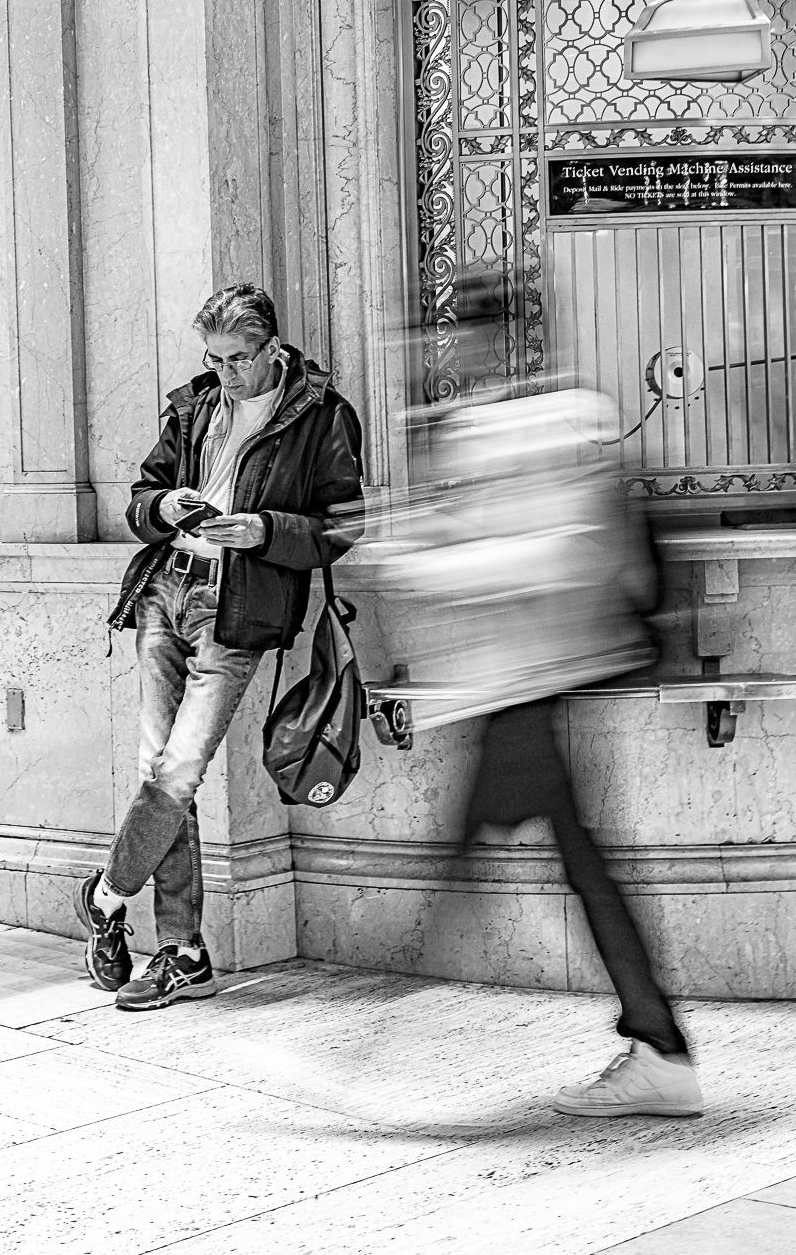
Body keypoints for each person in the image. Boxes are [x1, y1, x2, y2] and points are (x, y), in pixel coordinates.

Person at [424, 267, 704, 1118]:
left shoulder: (540, 424)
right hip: (526, 680)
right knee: (575, 859)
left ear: (499, 336)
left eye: (472, 330)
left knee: (477, 862)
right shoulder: (513, 422)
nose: (463, 346)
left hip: (535, 680)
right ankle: (659, 1045)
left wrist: (439, 566)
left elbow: (563, 554)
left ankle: (380, 1044)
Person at [74, 282, 363, 1011]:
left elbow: (344, 525)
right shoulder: (196, 405)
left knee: (176, 771)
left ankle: (108, 896)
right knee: (157, 773)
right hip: (165, 592)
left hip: (236, 610)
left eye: (238, 358)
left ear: (272, 349)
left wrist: (264, 531)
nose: (226, 372)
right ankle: (183, 953)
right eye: (215, 357)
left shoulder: (322, 414)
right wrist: (165, 506)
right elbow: (141, 497)